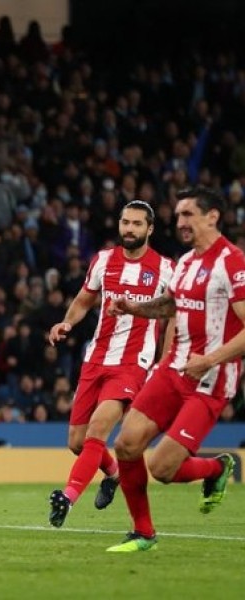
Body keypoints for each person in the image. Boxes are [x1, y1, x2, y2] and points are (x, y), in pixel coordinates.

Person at [105, 186, 242, 552]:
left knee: (163, 469)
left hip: (210, 378)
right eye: (178, 215)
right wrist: (133, 308)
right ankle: (143, 532)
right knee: (127, 444)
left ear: (212, 216)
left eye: (188, 214)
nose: (179, 221)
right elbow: (171, 305)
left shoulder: (232, 262)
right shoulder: (185, 262)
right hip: (173, 368)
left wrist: (211, 359)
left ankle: (217, 468)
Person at [47, 200, 175, 528]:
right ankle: (114, 474)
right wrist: (67, 323)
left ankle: (68, 497)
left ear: (150, 229)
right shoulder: (103, 260)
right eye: (125, 222)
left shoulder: (164, 268)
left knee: (98, 429)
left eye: (136, 224)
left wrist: (164, 359)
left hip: (133, 363)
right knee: (77, 442)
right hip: (96, 358)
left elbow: (173, 314)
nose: (129, 229)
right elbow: (84, 299)